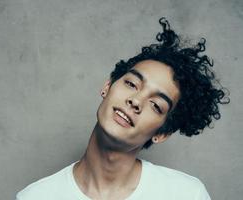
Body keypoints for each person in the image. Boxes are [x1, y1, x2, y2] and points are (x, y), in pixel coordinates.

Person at [16, 18, 229, 200]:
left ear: (162, 133)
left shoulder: (186, 194)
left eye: (156, 105)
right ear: (107, 87)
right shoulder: (35, 196)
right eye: (131, 84)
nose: (136, 101)